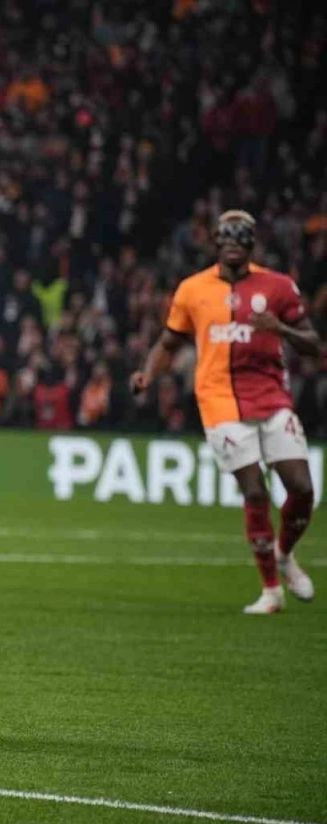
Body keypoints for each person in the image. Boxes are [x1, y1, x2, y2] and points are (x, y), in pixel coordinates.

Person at [132, 210, 320, 614]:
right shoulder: (192, 290)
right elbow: (169, 343)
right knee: (255, 491)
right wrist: (148, 374)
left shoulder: (279, 286)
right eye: (227, 235)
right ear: (216, 242)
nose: (234, 241)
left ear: (252, 243)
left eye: (242, 235)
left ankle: (285, 554)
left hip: (271, 398)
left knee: (303, 488)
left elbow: (314, 345)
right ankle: (271, 591)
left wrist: (280, 329)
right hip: (219, 402)